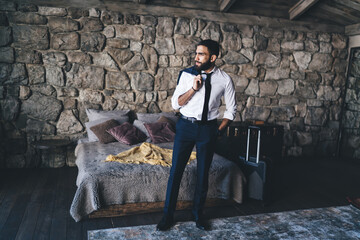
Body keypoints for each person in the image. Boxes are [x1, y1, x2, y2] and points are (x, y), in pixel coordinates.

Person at [156, 39, 237, 231]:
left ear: (213, 57)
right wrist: (193, 89)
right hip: (185, 127)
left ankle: (198, 216)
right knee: (175, 172)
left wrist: (217, 130)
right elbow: (176, 104)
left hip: (208, 129)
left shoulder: (225, 79)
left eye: (201, 54)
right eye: (196, 53)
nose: (196, 57)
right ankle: (167, 216)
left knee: (202, 175)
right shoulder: (186, 74)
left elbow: (231, 110)